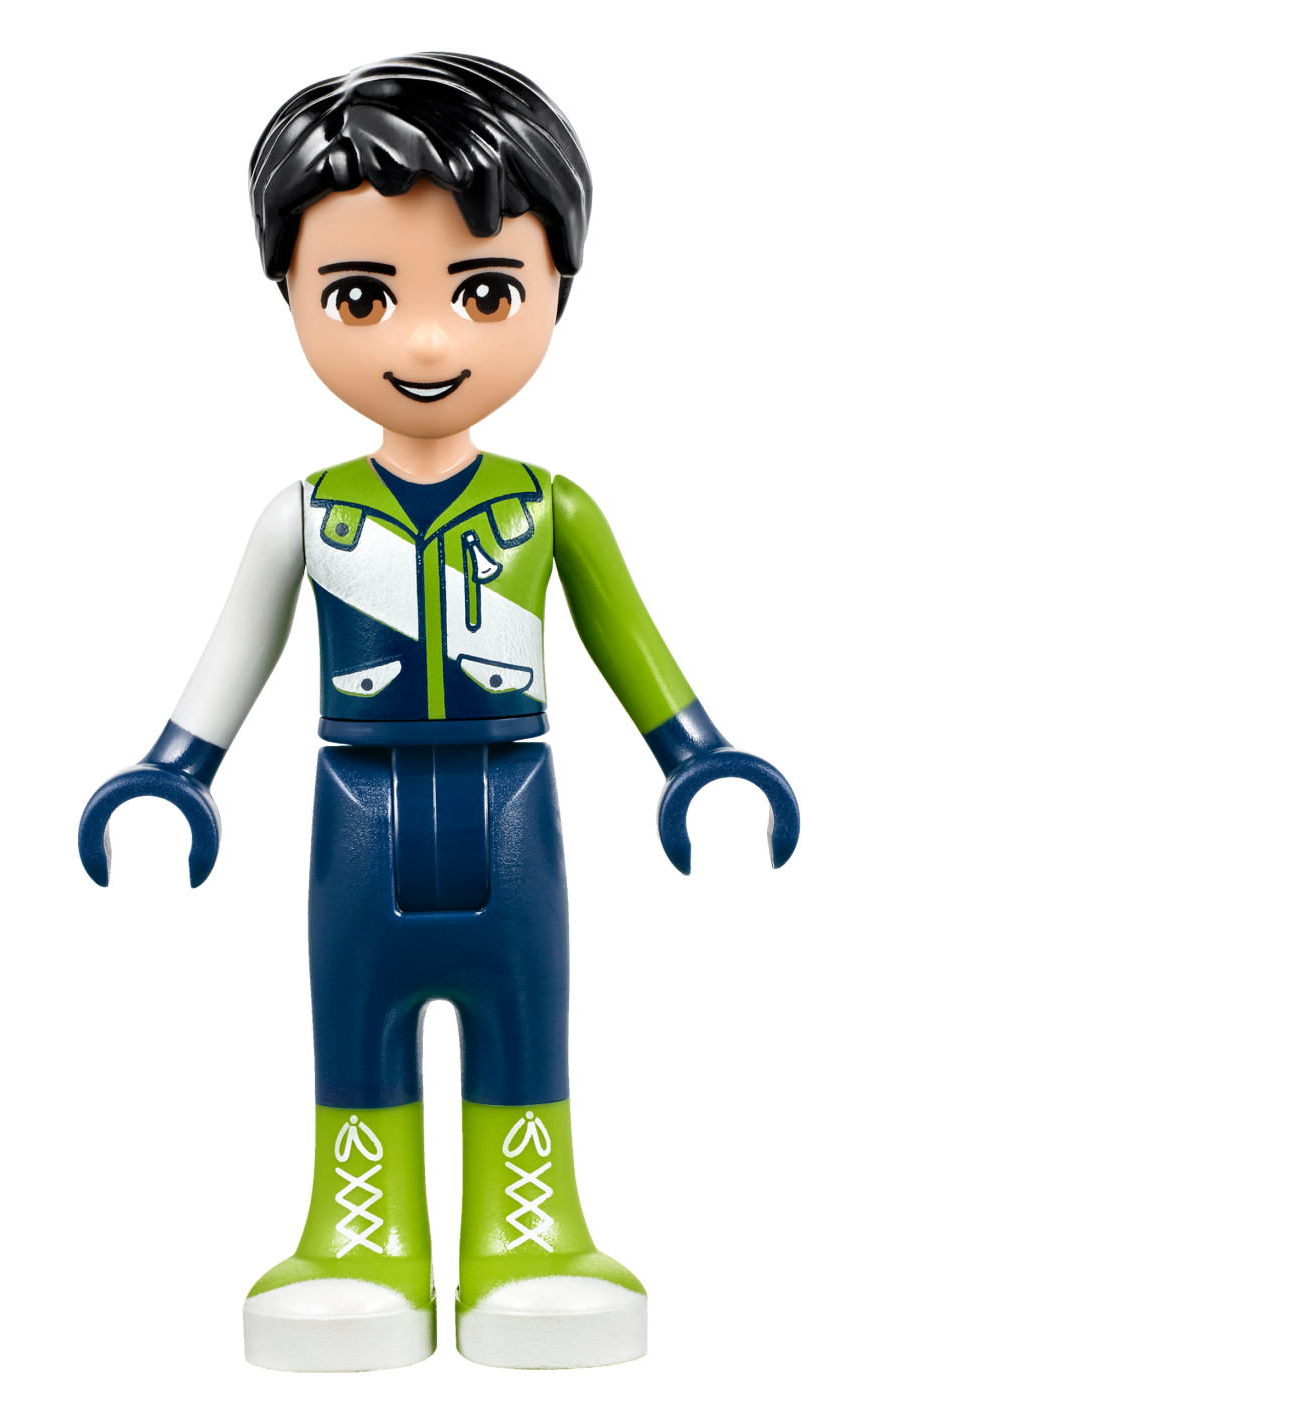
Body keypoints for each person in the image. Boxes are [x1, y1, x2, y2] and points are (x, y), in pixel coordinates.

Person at [78, 52, 798, 1373]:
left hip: (514, 803)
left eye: (484, 292)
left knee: (526, 1021)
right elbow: (235, 651)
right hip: (354, 811)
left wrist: (697, 759)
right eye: (362, 295)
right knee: (356, 1026)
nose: (424, 343)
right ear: (291, 293)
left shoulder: (549, 508)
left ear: (557, 288)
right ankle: (360, 1244)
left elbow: (630, 642)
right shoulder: (306, 514)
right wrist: (176, 772)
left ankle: (532, 1236)